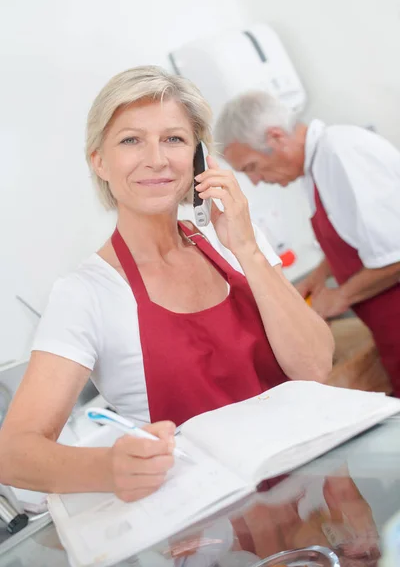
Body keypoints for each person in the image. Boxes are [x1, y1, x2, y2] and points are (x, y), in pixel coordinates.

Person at [0, 67, 332, 502]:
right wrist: (107, 468)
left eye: (174, 139)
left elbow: (314, 367)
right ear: (99, 159)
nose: (156, 158)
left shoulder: (233, 238)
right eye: (131, 140)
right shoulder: (85, 294)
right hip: (215, 528)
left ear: (199, 157)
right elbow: (13, 452)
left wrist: (248, 249)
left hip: (313, 487)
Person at [215, 91, 400, 397]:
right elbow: (359, 234)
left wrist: (341, 296)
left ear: (275, 137)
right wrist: (319, 275)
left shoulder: (341, 153)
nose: (256, 181)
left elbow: (395, 253)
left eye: (251, 167)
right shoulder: (316, 166)